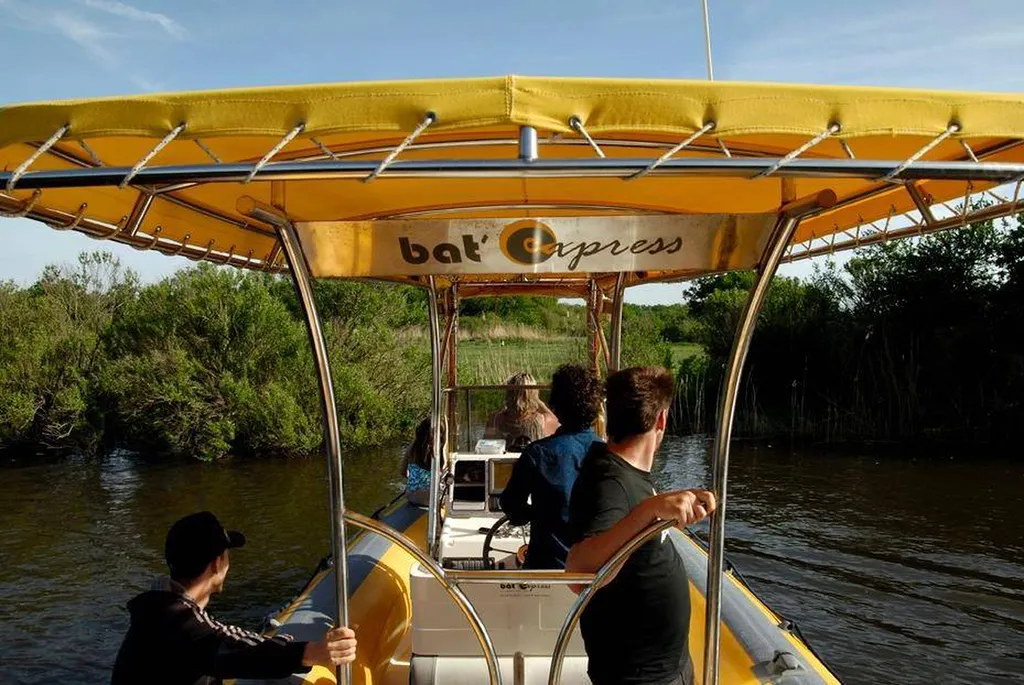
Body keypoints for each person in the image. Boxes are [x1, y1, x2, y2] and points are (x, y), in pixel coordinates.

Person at [566, 367, 716, 685]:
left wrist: (667, 504)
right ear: (662, 419)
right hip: (638, 676)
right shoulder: (609, 482)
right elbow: (580, 573)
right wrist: (649, 510)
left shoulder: (624, 473)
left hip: (660, 667)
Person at [112, 511, 358, 685]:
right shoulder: (180, 623)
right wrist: (313, 651)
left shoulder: (159, 608)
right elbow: (225, 647)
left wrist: (282, 643)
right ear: (217, 563)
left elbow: (221, 634)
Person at [498, 363, 603, 569]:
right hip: (596, 570)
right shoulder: (609, 453)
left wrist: (534, 514)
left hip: (546, 568)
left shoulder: (537, 454)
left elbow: (511, 504)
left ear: (555, 406)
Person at [484, 371, 558, 450]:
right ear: (534, 394)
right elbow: (557, 423)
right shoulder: (543, 420)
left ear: (508, 393)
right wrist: (537, 400)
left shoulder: (495, 419)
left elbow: (486, 446)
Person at [402, 418, 442, 507]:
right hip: (433, 499)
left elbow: (403, 472)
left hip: (412, 497)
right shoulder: (438, 450)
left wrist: (414, 480)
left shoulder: (411, 448)